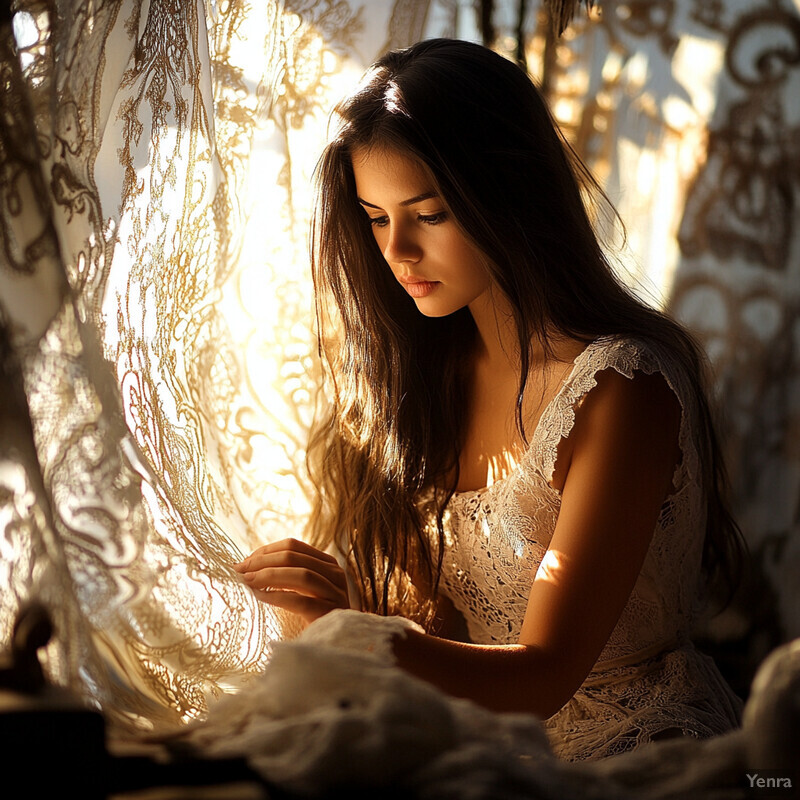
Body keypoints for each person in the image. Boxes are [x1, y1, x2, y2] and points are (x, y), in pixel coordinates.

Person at [233, 38, 744, 760]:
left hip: (637, 750)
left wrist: (351, 634)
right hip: (479, 743)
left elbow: (545, 673)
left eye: (428, 213)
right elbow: (445, 634)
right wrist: (320, 608)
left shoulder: (620, 385)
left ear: (507, 192)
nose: (397, 251)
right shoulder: (427, 383)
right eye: (377, 218)